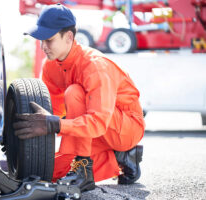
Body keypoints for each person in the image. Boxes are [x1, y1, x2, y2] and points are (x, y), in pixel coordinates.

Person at [13, 3, 145, 192]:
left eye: (48, 40)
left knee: (74, 93)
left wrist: (54, 124)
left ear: (69, 37)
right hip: (93, 131)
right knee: (42, 174)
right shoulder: (50, 66)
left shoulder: (95, 66)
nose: (43, 46)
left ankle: (84, 169)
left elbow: (98, 122)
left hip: (125, 127)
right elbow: (52, 114)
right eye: (40, 40)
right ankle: (121, 158)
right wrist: (25, 139)